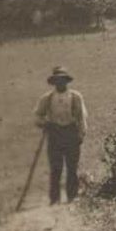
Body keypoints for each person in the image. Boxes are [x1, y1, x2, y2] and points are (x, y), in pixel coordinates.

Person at [34, 67, 87, 205]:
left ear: (67, 81)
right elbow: (37, 116)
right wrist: (44, 123)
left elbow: (81, 117)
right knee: (56, 167)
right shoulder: (47, 98)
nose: (60, 82)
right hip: (55, 134)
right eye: (57, 80)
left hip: (71, 133)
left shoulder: (75, 97)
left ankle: (72, 196)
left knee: (72, 167)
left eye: (63, 80)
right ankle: (54, 198)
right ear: (54, 82)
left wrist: (81, 134)